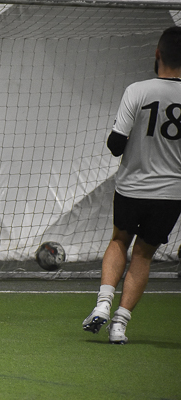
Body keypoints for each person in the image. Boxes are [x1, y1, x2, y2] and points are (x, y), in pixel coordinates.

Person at [82, 26, 181, 344]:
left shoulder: (137, 90)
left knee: (119, 241)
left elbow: (115, 144)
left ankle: (103, 304)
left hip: (132, 187)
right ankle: (120, 326)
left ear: (158, 53)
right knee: (144, 255)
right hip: (171, 193)